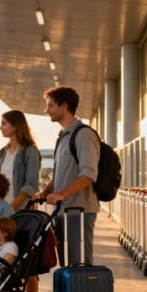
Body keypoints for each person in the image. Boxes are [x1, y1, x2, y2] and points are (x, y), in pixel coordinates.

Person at [35, 86, 100, 266]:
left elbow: (88, 174)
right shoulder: (63, 137)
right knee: (67, 263)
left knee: (79, 263)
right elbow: (59, 175)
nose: (46, 110)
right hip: (63, 210)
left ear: (64, 106)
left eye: (50, 105)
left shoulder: (83, 135)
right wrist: (45, 192)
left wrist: (62, 194)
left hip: (79, 211)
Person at [0, 109, 42, 292]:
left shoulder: (29, 152)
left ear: (15, 126)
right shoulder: (3, 152)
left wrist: (12, 207)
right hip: (3, 216)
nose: (1, 127)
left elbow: (31, 184)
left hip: (23, 215)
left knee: (28, 266)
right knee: (4, 262)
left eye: (4, 123)